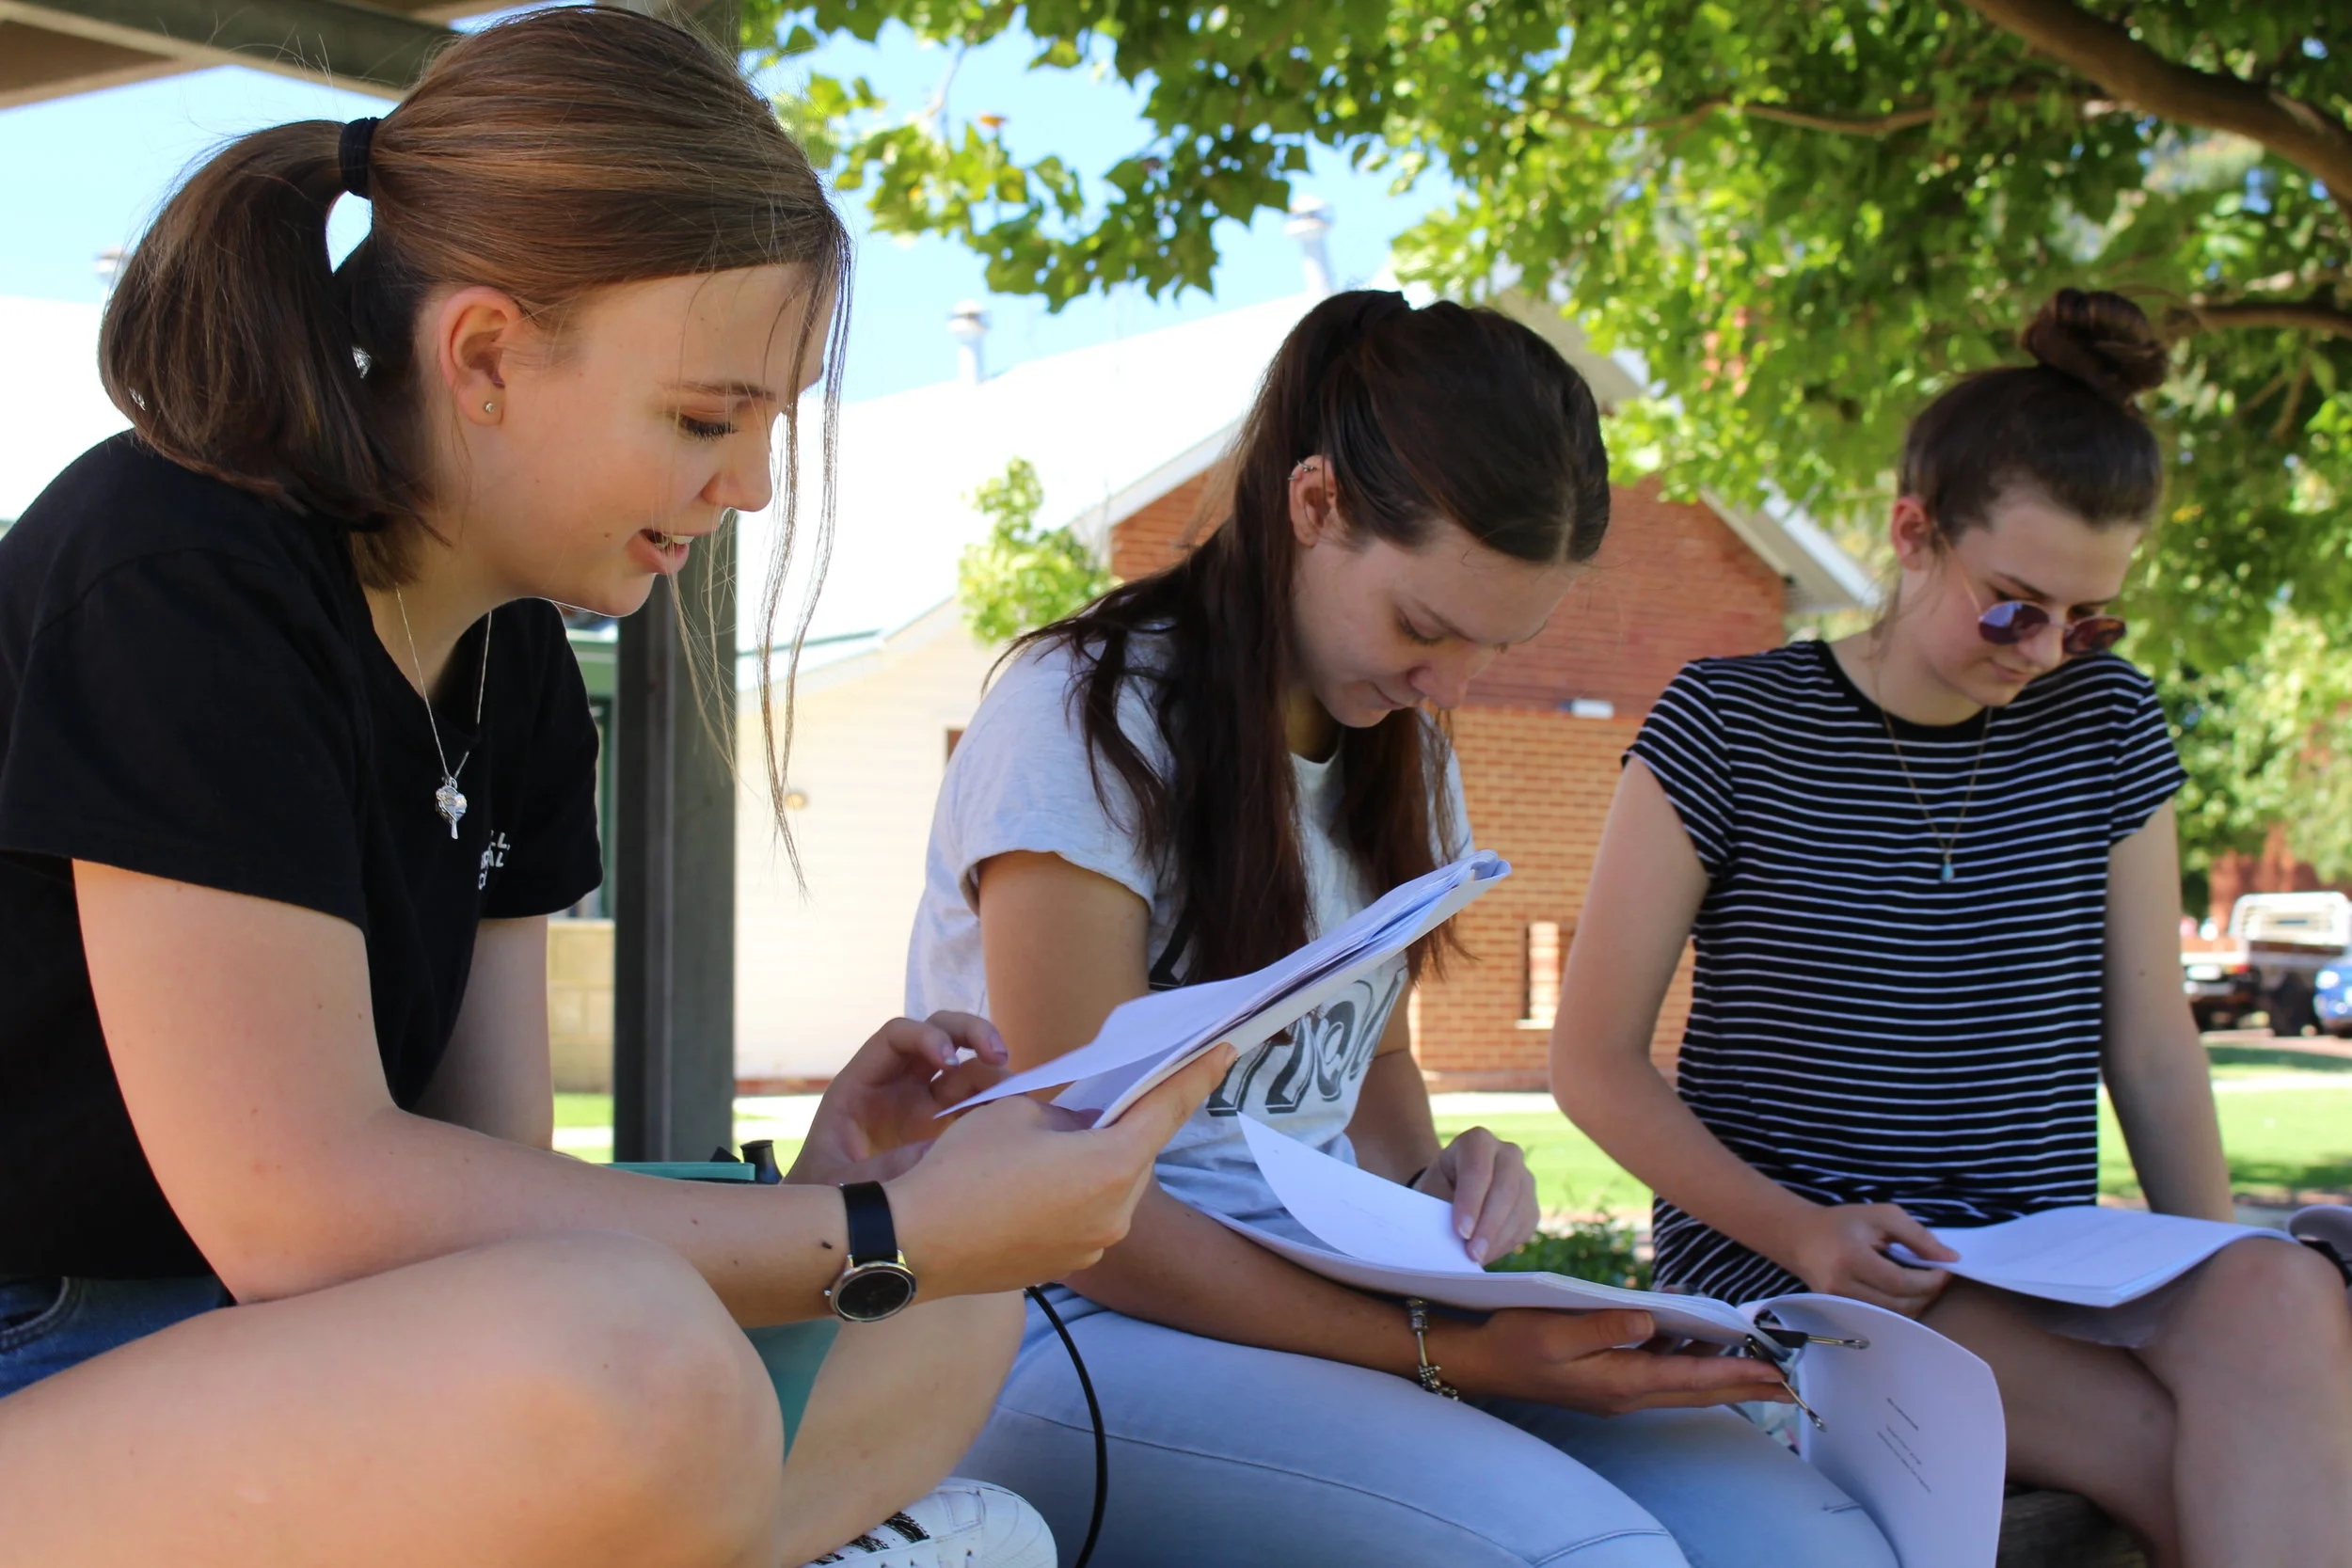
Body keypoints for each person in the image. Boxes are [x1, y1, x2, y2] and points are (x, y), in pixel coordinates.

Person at [0, 12, 1225, 1567]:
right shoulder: (177, 567)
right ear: (490, 353)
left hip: (270, 1368)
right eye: (707, 420)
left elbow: (483, 1192)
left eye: (768, 427)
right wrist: (861, 1238)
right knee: (635, 1361)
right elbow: (296, 1207)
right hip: (48, 1352)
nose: (753, 487)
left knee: (946, 1302)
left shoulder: (512, 665)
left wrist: (850, 1191)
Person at [905, 289, 1900, 1567]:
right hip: (1049, 1325)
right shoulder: (1085, 722)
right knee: (1587, 1553)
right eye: (1427, 626)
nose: (1451, 686)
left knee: (1813, 1546)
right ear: (1313, 505)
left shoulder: (1399, 752)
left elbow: (1365, 1058)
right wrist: (1452, 1347)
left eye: (1497, 643)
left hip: (1324, 1296)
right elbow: (1076, 1204)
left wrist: (1445, 1200)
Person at [1551, 289, 2352, 1568]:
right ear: (1912, 532)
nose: (2045, 652)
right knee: (2185, 1448)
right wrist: (1801, 1226)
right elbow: (1589, 1063)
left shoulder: (2104, 722)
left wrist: (2211, 1285)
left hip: (2048, 1268)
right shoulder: (1729, 724)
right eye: (2013, 606)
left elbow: (2150, 1047)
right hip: (1797, 1272)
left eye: (2089, 620)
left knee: (2284, 1288)